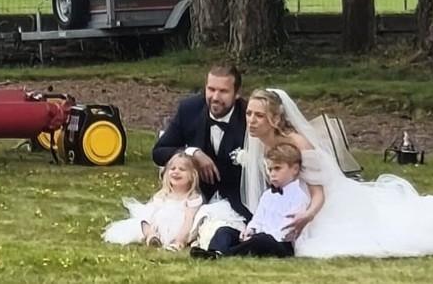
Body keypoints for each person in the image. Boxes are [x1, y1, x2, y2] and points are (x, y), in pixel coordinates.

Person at [240, 88, 433, 259]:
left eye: (259, 115)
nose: (251, 121)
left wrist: (308, 216)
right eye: (249, 114)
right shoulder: (259, 141)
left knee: (372, 236)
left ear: (275, 118)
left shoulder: (299, 143)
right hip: (291, 202)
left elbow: (318, 190)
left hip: (321, 205)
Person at [152, 64, 250, 219]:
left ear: (237, 93)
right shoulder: (190, 109)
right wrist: (193, 152)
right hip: (193, 198)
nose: (215, 97)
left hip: (238, 204)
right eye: (211, 89)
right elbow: (159, 152)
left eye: (223, 91)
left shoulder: (249, 116)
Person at [193, 142, 308, 259]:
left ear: (295, 169)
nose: (272, 174)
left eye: (277, 168)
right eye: (270, 169)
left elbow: (289, 229)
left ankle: (224, 255)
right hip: (256, 238)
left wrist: (259, 236)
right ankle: (215, 251)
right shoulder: (267, 195)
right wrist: (250, 230)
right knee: (224, 231)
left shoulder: (299, 195)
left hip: (280, 243)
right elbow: (257, 218)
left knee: (262, 240)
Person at [103, 151, 204, 249]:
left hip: (179, 229)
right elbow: (150, 213)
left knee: (188, 231)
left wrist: (180, 239)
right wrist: (151, 226)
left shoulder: (192, 198)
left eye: (182, 169)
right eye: (172, 168)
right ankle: (151, 236)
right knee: (142, 222)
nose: (176, 172)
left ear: (192, 175)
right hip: (158, 226)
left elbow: (188, 221)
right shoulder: (163, 195)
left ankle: (177, 242)